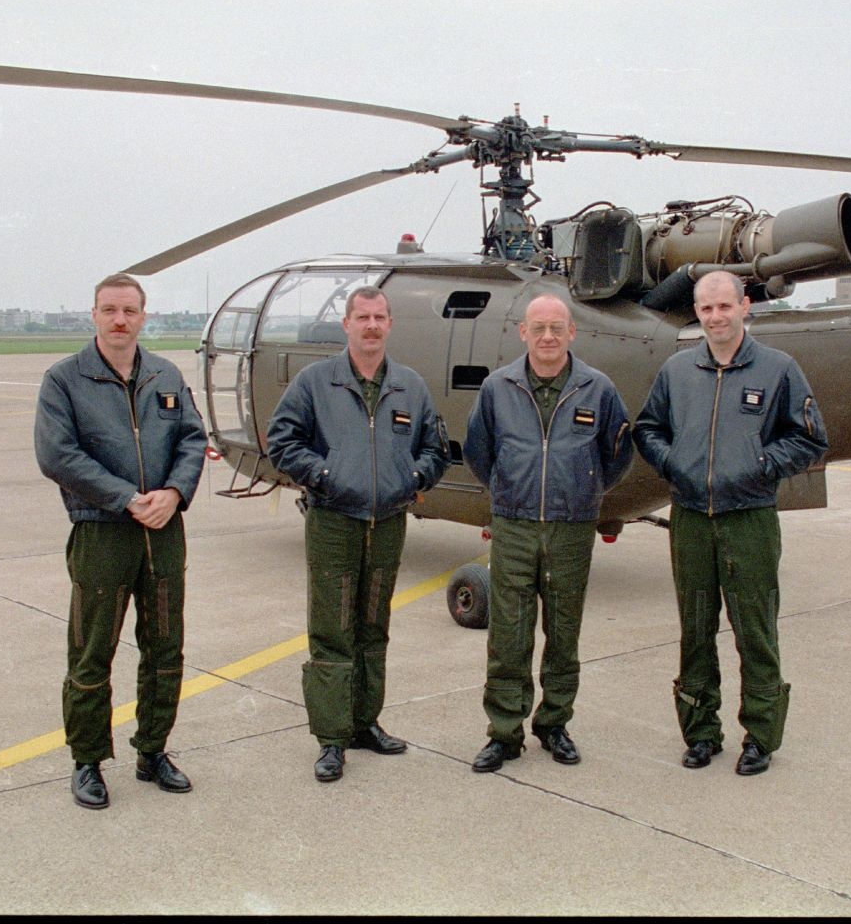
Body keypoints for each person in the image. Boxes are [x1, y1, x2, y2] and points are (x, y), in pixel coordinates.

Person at [632, 271, 828, 776]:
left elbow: (808, 440)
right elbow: (649, 428)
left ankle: (760, 736)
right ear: (696, 313)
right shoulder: (677, 371)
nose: (716, 317)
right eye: (706, 309)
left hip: (750, 520)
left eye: (724, 307)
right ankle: (701, 733)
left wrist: (759, 466)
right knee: (694, 629)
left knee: (755, 631)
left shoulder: (779, 369)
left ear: (745, 307)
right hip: (692, 519)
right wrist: (674, 464)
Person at [34, 272, 208, 809]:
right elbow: (57, 455)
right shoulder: (64, 380)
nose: (119, 320)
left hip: (164, 532)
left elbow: (193, 439)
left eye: (129, 311)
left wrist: (175, 493)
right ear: (93, 315)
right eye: (109, 310)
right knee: (92, 651)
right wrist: (127, 498)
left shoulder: (166, 374)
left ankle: (152, 749)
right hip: (102, 531)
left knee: (165, 647)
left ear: (143, 316)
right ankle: (87, 761)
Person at [265, 285, 449, 783]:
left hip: (388, 523)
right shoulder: (315, 382)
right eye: (362, 317)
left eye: (380, 318)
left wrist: (412, 481)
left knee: (374, 626)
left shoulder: (409, 385)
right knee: (332, 629)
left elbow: (436, 448)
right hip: (332, 521)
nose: (371, 326)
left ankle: (365, 722)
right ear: (346, 324)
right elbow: (282, 441)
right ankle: (331, 737)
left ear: (390, 325)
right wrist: (325, 477)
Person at [462, 293, 634, 772]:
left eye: (557, 327)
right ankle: (504, 731)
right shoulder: (498, 388)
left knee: (563, 632)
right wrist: (508, 490)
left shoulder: (597, 389)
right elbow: (479, 452)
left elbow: (617, 456)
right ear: (523, 333)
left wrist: (586, 489)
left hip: (571, 528)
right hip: (514, 526)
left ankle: (554, 724)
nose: (547, 337)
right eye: (538, 327)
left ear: (572, 333)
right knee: (508, 635)